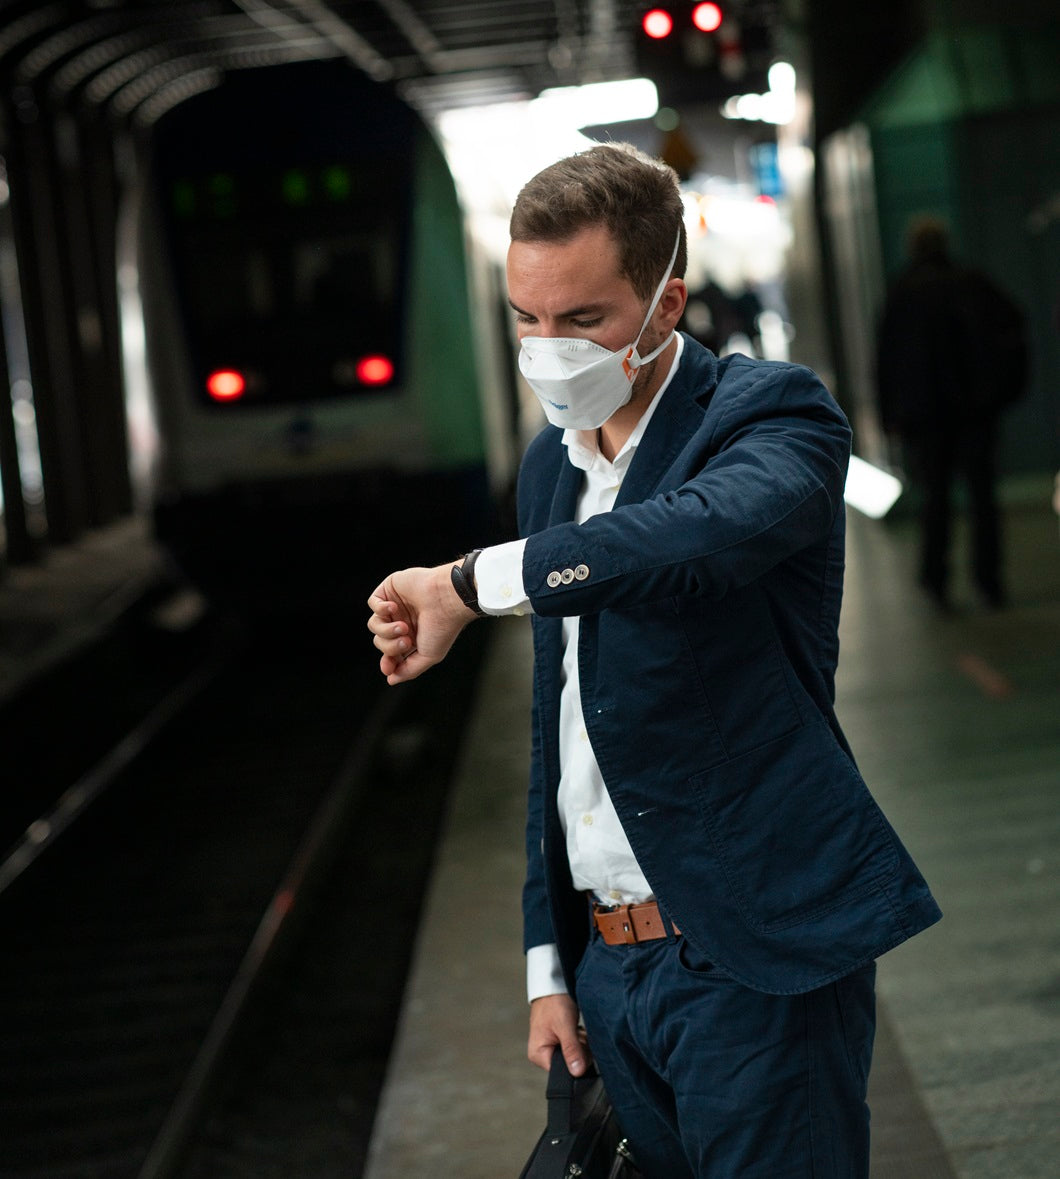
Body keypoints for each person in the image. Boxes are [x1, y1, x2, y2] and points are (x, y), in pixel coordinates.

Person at [367, 143, 942, 1178]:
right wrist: (552, 964)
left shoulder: (771, 417)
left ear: (666, 302)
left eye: (581, 320)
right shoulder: (551, 465)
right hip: (609, 977)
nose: (547, 349)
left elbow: (693, 535)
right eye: (525, 319)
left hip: (747, 955)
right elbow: (560, 735)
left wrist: (465, 584)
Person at [876, 216, 1029, 609]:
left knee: (935, 500)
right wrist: (998, 394)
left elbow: (886, 359)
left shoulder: (902, 291)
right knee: (982, 499)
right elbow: (1012, 330)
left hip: (925, 418)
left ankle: (936, 582)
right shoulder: (971, 282)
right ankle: (989, 583)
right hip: (974, 413)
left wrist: (890, 413)